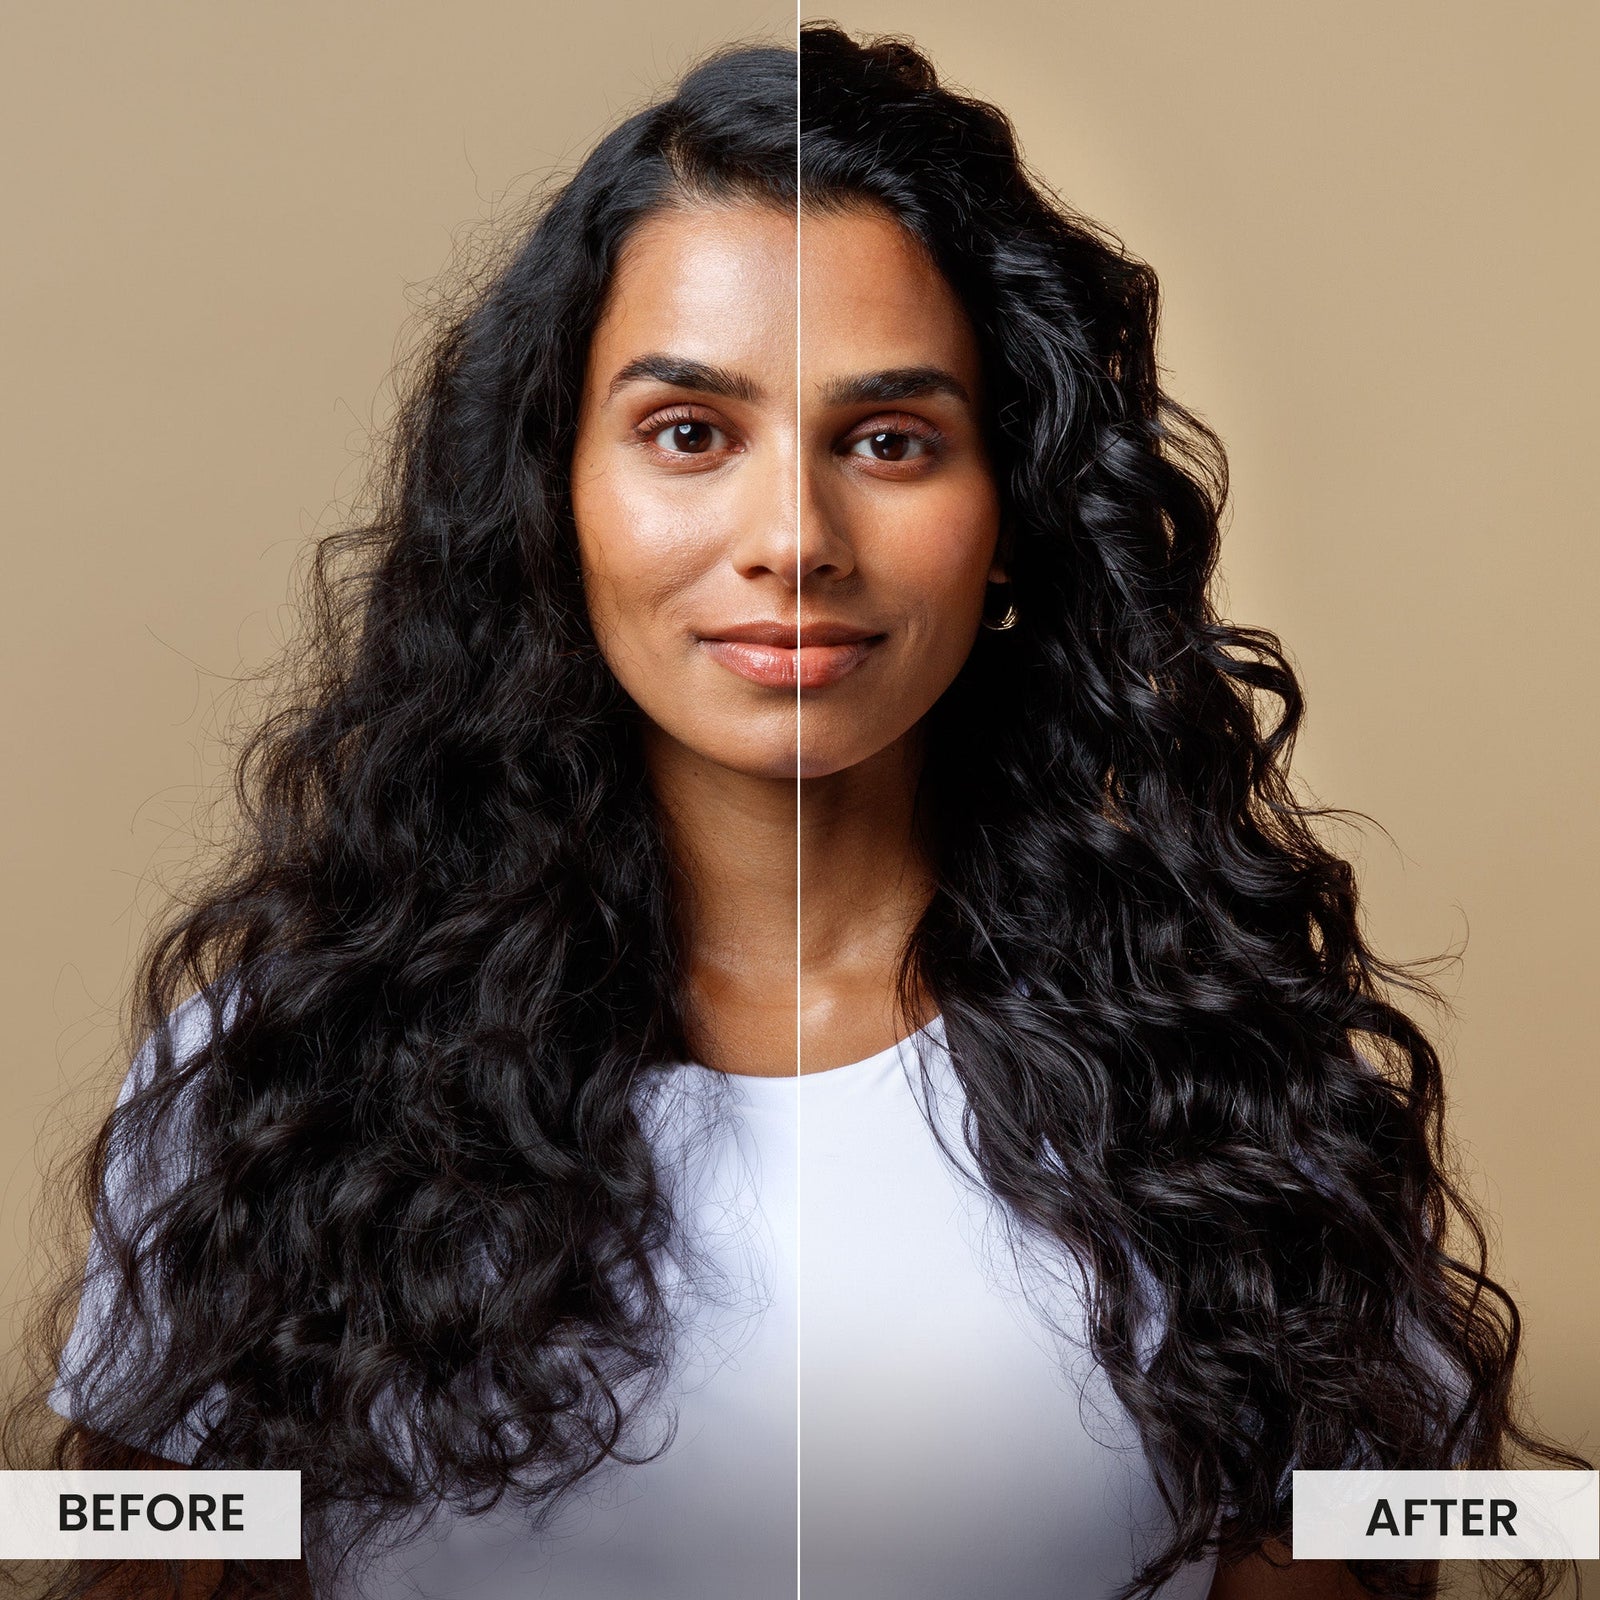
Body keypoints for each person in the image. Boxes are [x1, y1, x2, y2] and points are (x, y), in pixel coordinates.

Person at [12, 26, 1581, 1600]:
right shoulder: (279, 1076)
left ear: (1014, 516)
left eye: (889, 442)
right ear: (553, 502)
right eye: (689, 433)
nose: (793, 535)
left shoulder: (1229, 1080)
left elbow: (1396, 1539)